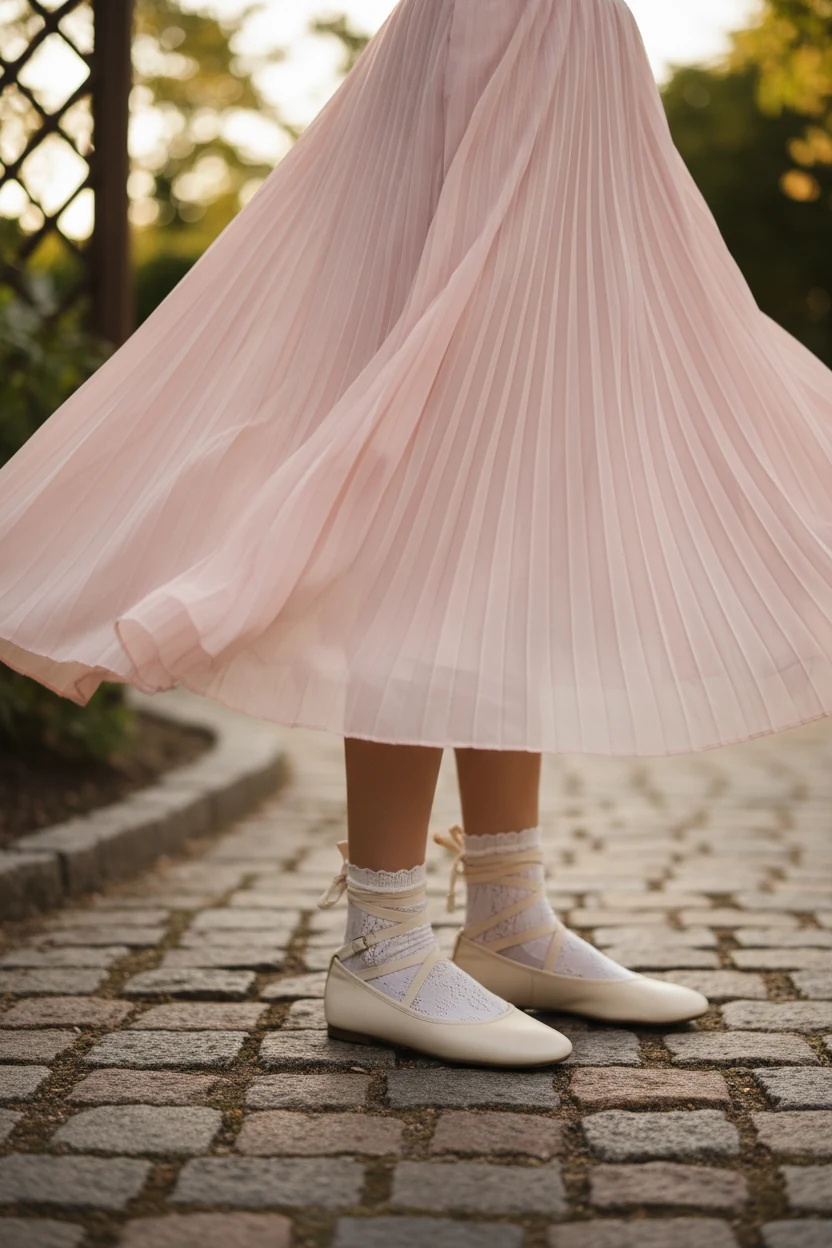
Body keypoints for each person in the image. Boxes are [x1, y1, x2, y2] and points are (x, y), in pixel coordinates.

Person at [2, 0, 832, 1065]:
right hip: (495, 41)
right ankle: (382, 941)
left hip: (577, 59)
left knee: (525, 481)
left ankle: (505, 916)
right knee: (428, 457)